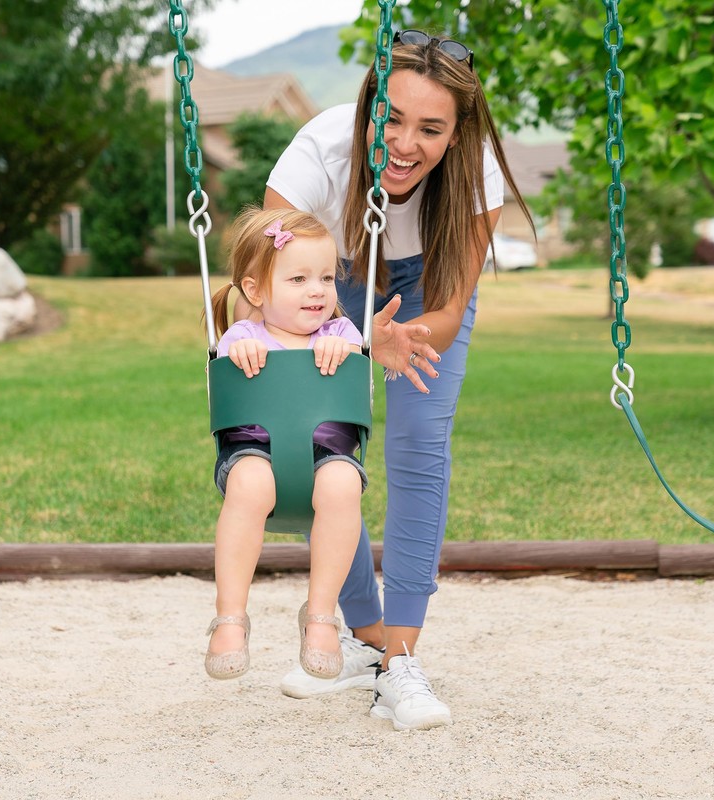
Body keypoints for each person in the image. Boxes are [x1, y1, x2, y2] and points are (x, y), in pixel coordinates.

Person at [263, 29, 534, 731]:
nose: (405, 143)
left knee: (418, 445)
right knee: (324, 449)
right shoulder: (317, 157)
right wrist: (347, 335)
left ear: (457, 133)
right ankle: (366, 638)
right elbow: (267, 291)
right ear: (368, 107)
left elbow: (445, 313)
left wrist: (400, 337)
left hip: (422, 291)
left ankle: (402, 658)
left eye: (431, 128)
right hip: (328, 278)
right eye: (392, 117)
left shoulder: (476, 175)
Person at [204, 207, 370, 683]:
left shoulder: (338, 332)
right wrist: (240, 350)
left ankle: (320, 618)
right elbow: (233, 348)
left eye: (325, 277)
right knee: (251, 484)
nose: (317, 290)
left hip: (327, 456)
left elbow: (355, 348)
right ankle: (230, 619)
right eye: (298, 279)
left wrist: (345, 348)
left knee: (343, 485)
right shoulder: (245, 335)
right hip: (253, 453)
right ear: (256, 291)